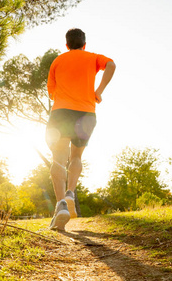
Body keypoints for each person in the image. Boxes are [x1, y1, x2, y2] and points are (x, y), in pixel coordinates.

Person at [45, 28, 116, 230]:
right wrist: (98, 91)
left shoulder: (58, 60)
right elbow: (111, 64)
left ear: (66, 45)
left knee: (58, 159)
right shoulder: (93, 57)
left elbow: (52, 93)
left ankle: (61, 206)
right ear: (84, 44)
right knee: (76, 157)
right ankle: (70, 193)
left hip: (61, 113)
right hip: (86, 114)